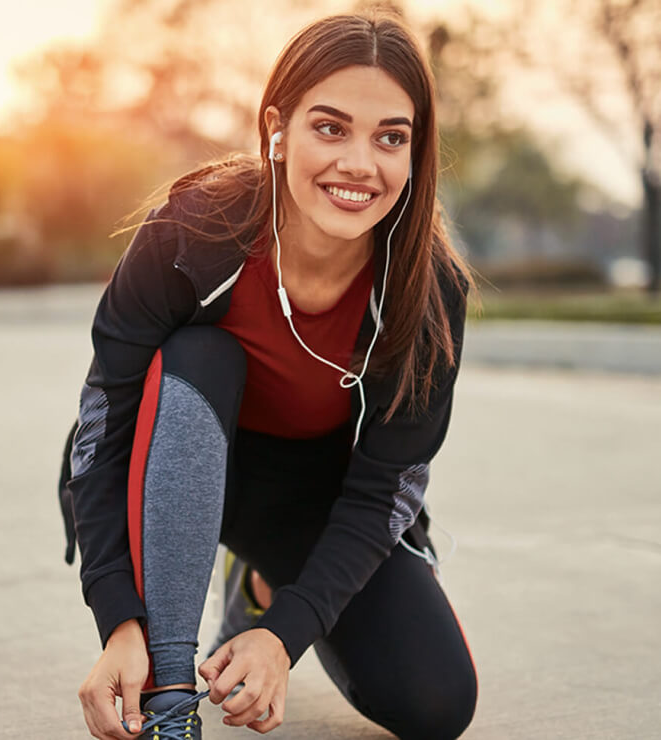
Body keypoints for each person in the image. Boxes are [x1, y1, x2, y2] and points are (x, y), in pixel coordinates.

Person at [59, 11, 478, 739]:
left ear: (417, 154)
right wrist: (119, 618)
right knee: (201, 354)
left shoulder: (428, 292)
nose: (359, 162)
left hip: (307, 499)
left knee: (438, 704)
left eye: (391, 137)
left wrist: (286, 632)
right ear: (277, 129)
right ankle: (168, 687)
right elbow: (102, 429)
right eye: (330, 127)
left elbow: (386, 490)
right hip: (167, 463)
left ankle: (256, 586)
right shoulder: (194, 232)